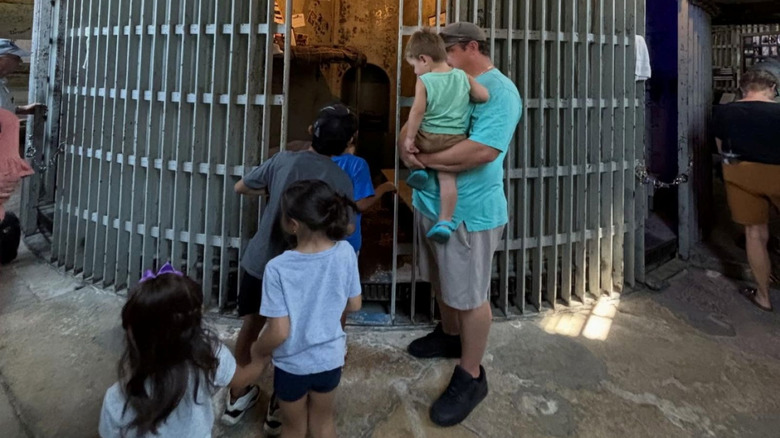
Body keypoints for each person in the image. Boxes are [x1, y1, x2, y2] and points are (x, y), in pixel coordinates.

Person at [399, 22, 522, 427]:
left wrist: (422, 160)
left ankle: (471, 375)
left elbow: (482, 150)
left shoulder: (500, 91)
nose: (441, 59)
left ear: (471, 47)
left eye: (447, 51)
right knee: (443, 280)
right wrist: (406, 144)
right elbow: (415, 122)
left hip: (469, 212)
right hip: (431, 203)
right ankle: (450, 335)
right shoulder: (444, 78)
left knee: (470, 296)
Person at [226, 103, 355, 433]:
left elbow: (242, 187)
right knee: (297, 333)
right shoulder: (340, 178)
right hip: (307, 273)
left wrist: (274, 188)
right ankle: (279, 404)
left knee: (253, 326)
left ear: (311, 130)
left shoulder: (282, 160)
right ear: (348, 144)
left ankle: (237, 395)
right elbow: (347, 226)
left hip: (262, 261)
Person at [98, 263, 268, 438]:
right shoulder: (210, 356)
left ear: (132, 337)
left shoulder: (116, 401)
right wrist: (260, 359)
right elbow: (241, 378)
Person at [251, 180, 362, 438]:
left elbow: (279, 332)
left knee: (293, 428)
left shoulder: (278, 268)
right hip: (330, 360)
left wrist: (257, 350)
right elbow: (355, 304)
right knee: (324, 424)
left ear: (293, 224)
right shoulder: (346, 252)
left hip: (292, 366)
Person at [402, 28, 489, 243]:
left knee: (410, 146)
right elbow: (483, 96)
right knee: (448, 180)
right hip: (454, 139)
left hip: (428, 137)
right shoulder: (462, 76)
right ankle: (445, 221)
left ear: (424, 59)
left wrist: (410, 138)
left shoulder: (425, 81)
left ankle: (420, 171)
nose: (415, 71)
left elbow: (417, 111)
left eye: (414, 65)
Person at [713, 64, 780, 312]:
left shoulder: (725, 112)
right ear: (772, 87)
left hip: (741, 175)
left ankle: (763, 297)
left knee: (755, 235)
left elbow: (721, 148)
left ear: (742, 89)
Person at [0, 39, 45, 264]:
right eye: (15, 58)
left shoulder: (2, 83)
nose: (18, 63)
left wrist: (22, 109)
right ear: (2, 59)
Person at [332, 133, 396, 254]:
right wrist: (384, 188)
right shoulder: (357, 164)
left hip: (318, 237)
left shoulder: (319, 160)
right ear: (351, 140)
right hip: (347, 240)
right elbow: (361, 204)